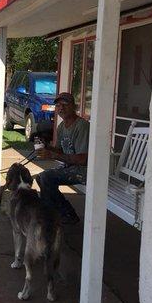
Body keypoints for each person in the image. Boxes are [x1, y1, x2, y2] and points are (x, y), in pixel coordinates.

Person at [35, 92, 89, 225]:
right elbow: (60, 150)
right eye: (58, 105)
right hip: (70, 167)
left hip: (84, 170)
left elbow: (83, 159)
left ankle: (60, 215)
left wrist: (53, 155)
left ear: (74, 107)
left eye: (65, 104)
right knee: (40, 177)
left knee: (47, 178)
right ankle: (57, 213)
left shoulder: (82, 126)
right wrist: (47, 147)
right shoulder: (61, 127)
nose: (61, 108)